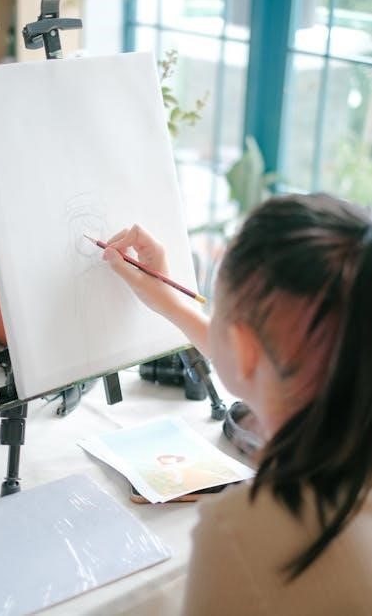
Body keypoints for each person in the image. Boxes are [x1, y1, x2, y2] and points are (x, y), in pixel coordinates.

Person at [103, 193, 372, 615]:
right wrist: (171, 303)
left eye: (217, 310)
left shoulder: (241, 533)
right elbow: (265, 358)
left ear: (244, 347)